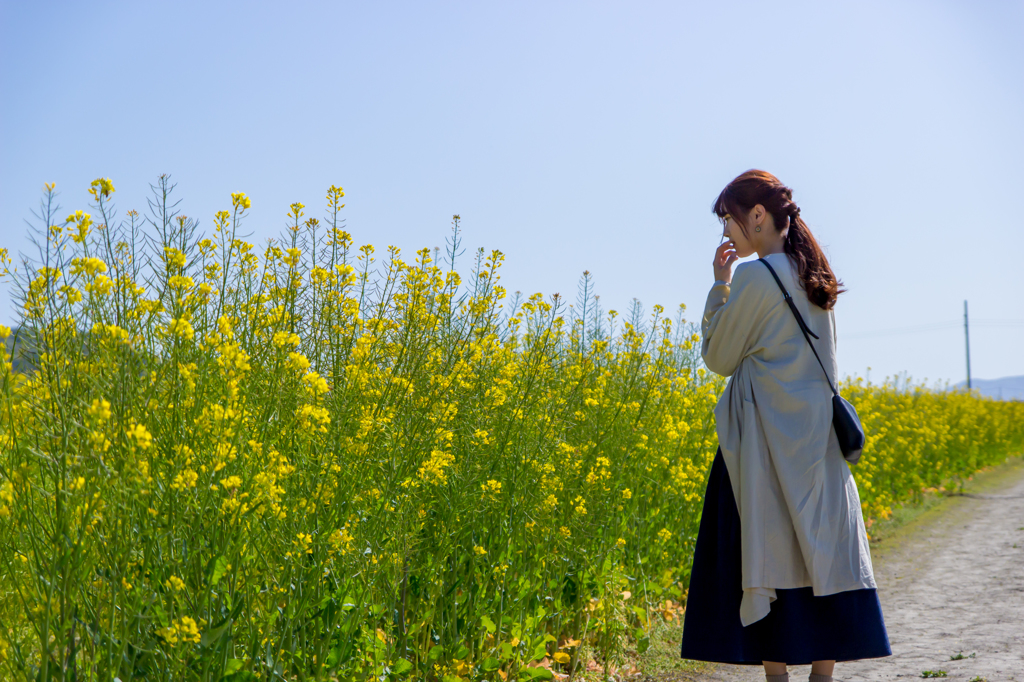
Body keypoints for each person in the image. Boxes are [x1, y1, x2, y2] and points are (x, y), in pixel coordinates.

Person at [678, 170, 891, 681]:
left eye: (728, 220)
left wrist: (719, 285)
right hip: (817, 446)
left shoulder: (754, 278)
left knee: (765, 553)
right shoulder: (814, 278)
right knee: (821, 553)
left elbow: (718, 356)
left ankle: (777, 677)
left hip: (765, 446)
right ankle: (822, 675)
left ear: (757, 215)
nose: (726, 234)